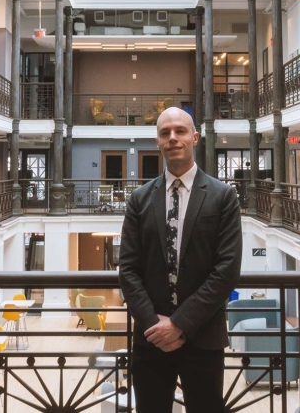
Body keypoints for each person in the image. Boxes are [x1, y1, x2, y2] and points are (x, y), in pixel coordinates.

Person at [118, 107, 242, 412]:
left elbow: (226, 271)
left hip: (203, 337)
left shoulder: (223, 196)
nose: (173, 138)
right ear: (157, 142)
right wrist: (154, 325)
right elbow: (129, 269)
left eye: (180, 131)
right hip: (151, 340)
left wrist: (179, 324)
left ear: (195, 137)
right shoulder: (139, 199)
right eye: (165, 133)